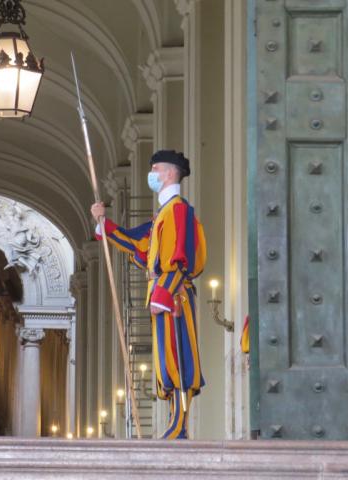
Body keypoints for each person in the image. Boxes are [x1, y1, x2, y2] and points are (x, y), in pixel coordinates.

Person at [90, 149, 207, 439]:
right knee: (165, 362)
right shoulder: (162, 215)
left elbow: (181, 258)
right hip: (162, 294)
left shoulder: (178, 209)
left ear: (170, 173)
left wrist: (163, 294)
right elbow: (138, 244)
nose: (151, 174)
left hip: (174, 296)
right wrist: (104, 224)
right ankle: (174, 422)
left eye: (155, 169)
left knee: (179, 358)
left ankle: (180, 425)